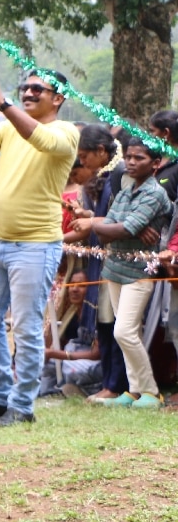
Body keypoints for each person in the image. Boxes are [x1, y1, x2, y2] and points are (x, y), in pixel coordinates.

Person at [0, 71, 79, 428]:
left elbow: (40, 138)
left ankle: (22, 406)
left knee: (25, 327)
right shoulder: (9, 127)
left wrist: (3, 101)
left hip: (36, 246)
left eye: (39, 89)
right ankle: (0, 399)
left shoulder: (65, 133)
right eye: (25, 88)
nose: (29, 92)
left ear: (58, 99)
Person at [91, 137, 170, 409]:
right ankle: (134, 391)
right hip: (114, 268)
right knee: (124, 332)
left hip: (139, 271)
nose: (132, 162)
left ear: (156, 164)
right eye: (129, 157)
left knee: (124, 331)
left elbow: (123, 229)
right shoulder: (125, 192)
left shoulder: (154, 194)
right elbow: (110, 231)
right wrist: (112, 227)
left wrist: (97, 223)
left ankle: (150, 391)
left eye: (140, 158)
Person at [66, 124, 130, 402]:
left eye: (84, 156)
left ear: (101, 152)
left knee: (113, 324)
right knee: (104, 324)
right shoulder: (107, 175)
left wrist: (91, 220)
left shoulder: (120, 175)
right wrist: (87, 215)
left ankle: (116, 385)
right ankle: (108, 382)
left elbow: (121, 221)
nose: (83, 162)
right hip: (101, 259)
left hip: (116, 261)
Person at [39, 268, 101, 398]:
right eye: (71, 284)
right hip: (74, 359)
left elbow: (97, 354)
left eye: (81, 286)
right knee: (49, 365)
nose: (74, 289)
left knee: (74, 370)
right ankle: (50, 393)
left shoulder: (97, 314)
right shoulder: (71, 314)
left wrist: (56, 354)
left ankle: (88, 392)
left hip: (94, 364)